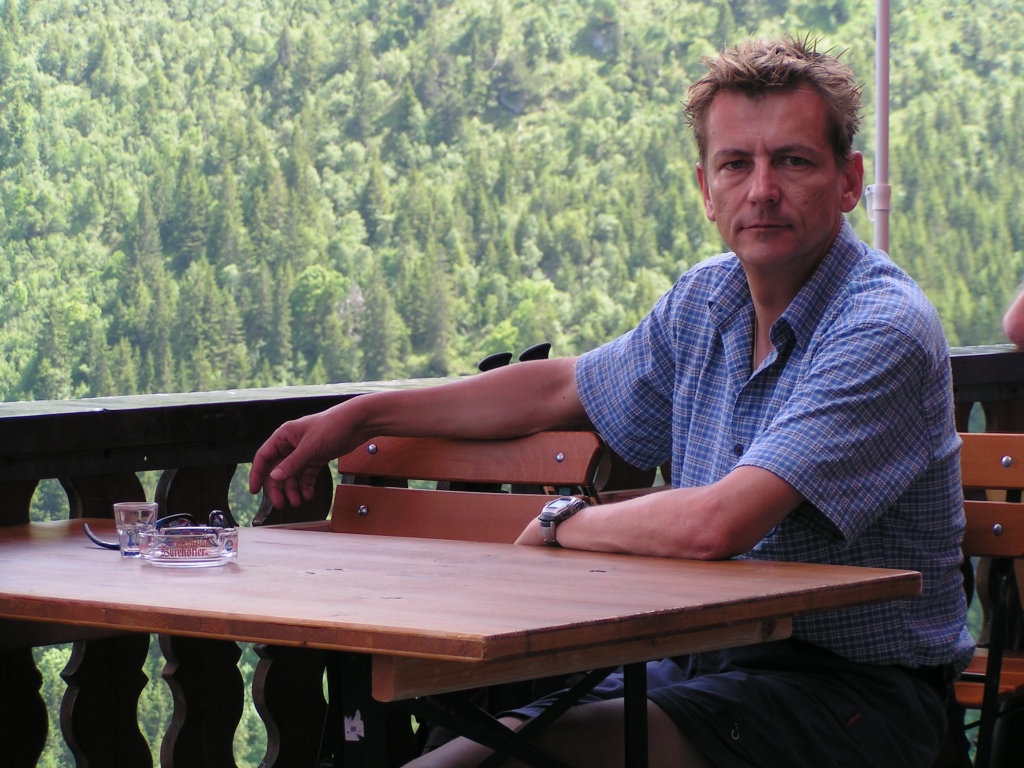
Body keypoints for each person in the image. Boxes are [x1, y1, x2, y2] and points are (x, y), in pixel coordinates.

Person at [250, 36, 973, 768]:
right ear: (706, 188)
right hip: (705, 663)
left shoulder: (881, 326)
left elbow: (717, 524)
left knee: (490, 760)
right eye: (736, 164)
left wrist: (562, 523)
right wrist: (363, 415)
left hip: (856, 697)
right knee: (461, 740)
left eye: (792, 160)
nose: (761, 189)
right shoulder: (708, 300)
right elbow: (562, 388)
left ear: (849, 181)